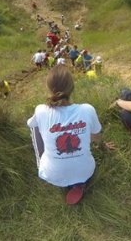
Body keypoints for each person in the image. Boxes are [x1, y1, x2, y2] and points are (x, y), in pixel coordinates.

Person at [26, 65, 111, 205]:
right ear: (72, 88)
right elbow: (96, 136)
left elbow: (30, 124)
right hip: (86, 171)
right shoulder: (87, 109)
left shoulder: (41, 110)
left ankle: (43, 163)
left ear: (48, 88)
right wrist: (103, 146)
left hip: (52, 175)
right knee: (86, 128)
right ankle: (78, 183)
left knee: (34, 126)